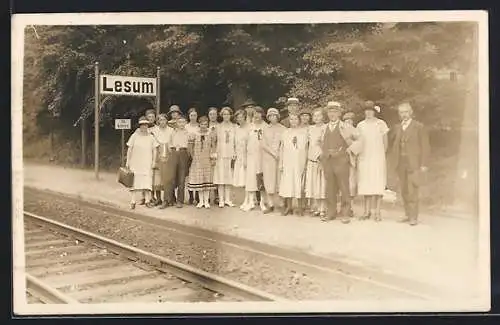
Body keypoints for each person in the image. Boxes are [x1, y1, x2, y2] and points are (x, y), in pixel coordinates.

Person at [319, 101, 361, 223]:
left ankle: (345, 213)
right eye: (330, 111)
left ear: (339, 113)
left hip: (341, 160)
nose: (332, 114)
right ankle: (331, 212)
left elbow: (360, 139)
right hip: (328, 161)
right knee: (330, 188)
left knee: (344, 187)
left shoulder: (346, 127)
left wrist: (350, 149)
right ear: (327, 113)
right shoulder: (323, 128)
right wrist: (321, 155)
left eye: (335, 111)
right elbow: (317, 143)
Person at [391, 102, 430, 226]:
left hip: (414, 163)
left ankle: (414, 217)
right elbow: (393, 144)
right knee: (404, 190)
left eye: (406, 112)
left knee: (412, 189)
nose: (404, 115)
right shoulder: (397, 127)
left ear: (411, 112)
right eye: (401, 112)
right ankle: (407, 214)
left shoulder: (419, 127)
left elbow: (425, 146)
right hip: (400, 163)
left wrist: (424, 164)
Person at [356, 101, 389, 221]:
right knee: (366, 184)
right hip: (364, 158)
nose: (369, 113)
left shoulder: (381, 124)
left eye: (371, 110)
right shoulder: (360, 125)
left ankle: (377, 212)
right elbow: (357, 143)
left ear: (375, 112)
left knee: (378, 183)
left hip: (377, 157)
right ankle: (366, 211)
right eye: (366, 110)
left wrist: (381, 155)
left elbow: (385, 143)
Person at [125, 116, 159, 209]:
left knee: (147, 181)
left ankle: (147, 201)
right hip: (135, 162)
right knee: (134, 181)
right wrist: (127, 161)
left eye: (146, 125)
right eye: (142, 125)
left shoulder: (151, 137)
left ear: (148, 126)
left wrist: (154, 161)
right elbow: (129, 149)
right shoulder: (134, 136)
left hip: (147, 162)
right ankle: (133, 201)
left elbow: (155, 150)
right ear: (139, 126)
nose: (144, 127)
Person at [279, 113, 308, 216]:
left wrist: (304, 164)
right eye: (291, 119)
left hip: (298, 161)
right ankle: (289, 206)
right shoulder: (285, 133)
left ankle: (300, 207)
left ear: (299, 120)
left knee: (299, 184)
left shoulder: (303, 133)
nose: (294, 121)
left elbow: (305, 149)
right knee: (288, 184)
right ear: (289, 121)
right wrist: (281, 163)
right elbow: (282, 149)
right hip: (288, 162)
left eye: (296, 119)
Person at [187, 116, 217, 209]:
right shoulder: (194, 134)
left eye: (205, 124)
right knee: (199, 180)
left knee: (207, 180)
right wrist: (193, 157)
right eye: (202, 124)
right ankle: (200, 201)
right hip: (197, 160)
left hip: (207, 159)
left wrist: (212, 157)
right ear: (199, 124)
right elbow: (190, 147)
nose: (204, 126)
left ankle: (206, 201)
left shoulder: (211, 133)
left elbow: (213, 146)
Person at [243, 106, 268, 212]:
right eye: (254, 114)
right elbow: (244, 143)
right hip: (251, 157)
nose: (256, 116)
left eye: (259, 114)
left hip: (262, 157)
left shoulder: (266, 127)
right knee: (251, 179)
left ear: (262, 115)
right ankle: (251, 202)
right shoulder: (249, 127)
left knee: (261, 179)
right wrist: (244, 158)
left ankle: (262, 202)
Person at [261, 107, 286, 213]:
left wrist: (279, 153)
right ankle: (270, 204)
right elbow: (263, 144)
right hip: (268, 157)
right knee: (269, 180)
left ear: (278, 116)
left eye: (274, 115)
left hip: (280, 157)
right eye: (270, 116)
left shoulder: (283, 129)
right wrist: (272, 153)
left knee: (279, 180)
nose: (272, 118)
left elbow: (285, 144)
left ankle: (281, 203)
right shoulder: (265, 129)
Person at [164, 115, 191, 208]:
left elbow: (190, 145)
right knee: (170, 177)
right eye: (180, 122)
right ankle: (168, 200)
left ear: (186, 123)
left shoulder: (188, 133)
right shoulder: (173, 132)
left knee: (181, 178)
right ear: (176, 123)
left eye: (183, 122)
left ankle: (180, 200)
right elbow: (169, 143)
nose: (181, 124)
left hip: (183, 153)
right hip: (174, 152)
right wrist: (172, 151)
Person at [305, 108, 327, 218]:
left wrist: (322, 159)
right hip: (311, 160)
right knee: (313, 185)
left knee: (322, 185)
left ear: (323, 116)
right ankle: (316, 208)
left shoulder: (326, 127)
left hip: (322, 160)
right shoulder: (310, 129)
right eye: (315, 116)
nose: (317, 118)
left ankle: (323, 208)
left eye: (319, 116)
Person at [213, 107, 237, 208]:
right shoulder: (218, 127)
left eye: (228, 114)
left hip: (230, 154)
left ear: (230, 115)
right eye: (224, 114)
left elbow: (236, 141)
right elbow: (214, 141)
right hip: (220, 154)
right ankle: (221, 200)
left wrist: (235, 152)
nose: (226, 116)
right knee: (220, 177)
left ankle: (228, 199)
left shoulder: (234, 127)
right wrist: (214, 153)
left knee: (228, 178)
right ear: (221, 115)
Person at [155, 114, 175, 209]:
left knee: (168, 179)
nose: (162, 122)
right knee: (159, 179)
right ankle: (160, 199)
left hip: (169, 154)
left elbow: (172, 143)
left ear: (167, 121)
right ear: (158, 121)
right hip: (159, 155)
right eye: (160, 120)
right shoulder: (155, 131)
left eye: (164, 120)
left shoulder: (171, 131)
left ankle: (167, 200)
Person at [144, 109, 163, 206]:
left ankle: (159, 198)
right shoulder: (144, 128)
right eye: (149, 117)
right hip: (146, 154)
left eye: (152, 117)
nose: (151, 119)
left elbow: (160, 141)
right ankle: (149, 197)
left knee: (157, 177)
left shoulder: (157, 128)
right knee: (148, 176)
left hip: (156, 153)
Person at [233, 109, 251, 210]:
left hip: (247, 156)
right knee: (243, 180)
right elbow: (235, 144)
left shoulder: (249, 128)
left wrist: (246, 158)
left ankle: (249, 200)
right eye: (237, 117)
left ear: (245, 117)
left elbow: (249, 144)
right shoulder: (237, 128)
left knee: (248, 179)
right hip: (239, 156)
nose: (239, 118)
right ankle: (246, 199)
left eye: (241, 116)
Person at [342, 110, 358, 217]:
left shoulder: (356, 131)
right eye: (346, 121)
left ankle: (350, 207)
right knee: (341, 184)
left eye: (350, 120)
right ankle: (342, 207)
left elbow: (359, 144)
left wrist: (351, 147)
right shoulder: (340, 130)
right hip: (341, 160)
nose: (348, 123)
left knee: (351, 184)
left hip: (351, 160)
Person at [185, 107, 200, 205]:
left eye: (195, 115)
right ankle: (190, 196)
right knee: (189, 174)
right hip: (188, 152)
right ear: (189, 116)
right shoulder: (186, 126)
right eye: (191, 115)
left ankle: (198, 196)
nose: (193, 117)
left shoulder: (199, 126)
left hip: (198, 152)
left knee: (198, 174)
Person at [207, 107, 220, 204]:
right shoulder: (204, 126)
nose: (212, 116)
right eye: (211, 114)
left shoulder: (220, 126)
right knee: (208, 173)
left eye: (214, 114)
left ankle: (217, 195)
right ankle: (206, 196)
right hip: (207, 151)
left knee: (216, 173)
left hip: (217, 150)